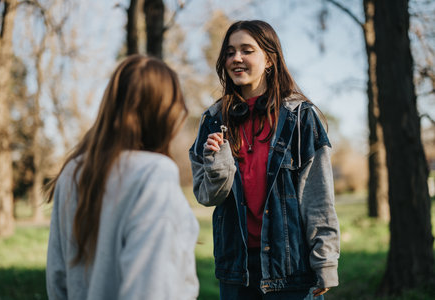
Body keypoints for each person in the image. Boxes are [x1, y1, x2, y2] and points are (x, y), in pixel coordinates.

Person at [189, 20, 340, 300]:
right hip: (236, 271)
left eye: (247, 50)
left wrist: (325, 262)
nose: (236, 58)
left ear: (269, 59)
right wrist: (218, 165)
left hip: (291, 269)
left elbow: (318, 198)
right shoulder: (212, 120)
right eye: (230, 51)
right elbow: (205, 196)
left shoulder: (300, 118)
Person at [46, 55, 199, 300]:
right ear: (164, 112)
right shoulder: (154, 174)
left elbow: (57, 280)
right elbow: (150, 290)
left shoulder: (72, 172)